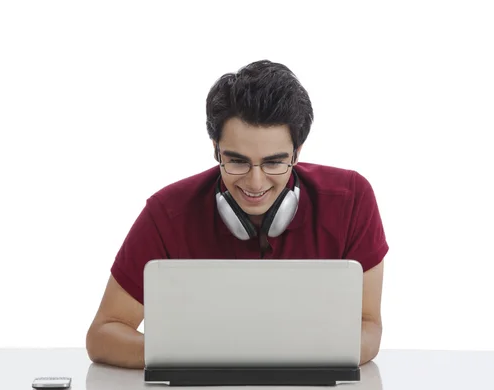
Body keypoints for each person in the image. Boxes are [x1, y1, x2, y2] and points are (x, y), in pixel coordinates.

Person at [85, 60, 389, 369]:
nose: (255, 183)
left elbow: (368, 326)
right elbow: (103, 334)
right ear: (216, 149)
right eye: (237, 161)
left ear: (297, 152)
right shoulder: (168, 213)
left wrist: (286, 358)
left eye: (273, 163)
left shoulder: (351, 200)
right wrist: (198, 356)